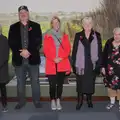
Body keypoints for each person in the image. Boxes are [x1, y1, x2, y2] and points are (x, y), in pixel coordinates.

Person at [8, 6, 42, 109]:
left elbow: (38, 41)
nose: (23, 14)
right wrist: (21, 52)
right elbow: (11, 43)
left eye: (25, 12)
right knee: (20, 82)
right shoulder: (13, 27)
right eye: (21, 12)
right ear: (19, 15)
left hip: (33, 60)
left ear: (28, 13)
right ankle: (21, 102)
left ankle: (37, 101)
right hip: (19, 60)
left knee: (35, 82)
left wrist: (29, 51)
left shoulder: (36, 26)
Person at [72, 17, 102, 110]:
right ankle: (80, 101)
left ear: (92, 24)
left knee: (90, 83)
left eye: (89, 23)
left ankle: (89, 100)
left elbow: (100, 51)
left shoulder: (97, 35)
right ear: (82, 25)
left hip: (91, 64)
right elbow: (74, 51)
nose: (87, 25)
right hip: (80, 64)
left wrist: (99, 65)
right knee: (80, 84)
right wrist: (73, 64)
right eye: (85, 23)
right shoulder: (78, 35)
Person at [43, 16, 71, 110]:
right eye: (54, 23)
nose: (56, 24)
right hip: (51, 63)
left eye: (57, 22)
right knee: (52, 85)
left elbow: (68, 49)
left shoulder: (64, 35)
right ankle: (52, 100)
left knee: (60, 84)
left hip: (62, 63)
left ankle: (58, 100)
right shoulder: (47, 35)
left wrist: (61, 58)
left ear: (60, 23)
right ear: (51, 24)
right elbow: (45, 50)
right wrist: (53, 58)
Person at [102, 27, 120, 111]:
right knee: (111, 86)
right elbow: (104, 55)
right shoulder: (109, 42)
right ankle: (112, 102)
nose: (117, 36)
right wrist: (102, 67)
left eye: (119, 34)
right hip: (110, 70)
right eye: (115, 34)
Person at [0, 24, 9, 112]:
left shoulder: (4, 39)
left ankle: (4, 105)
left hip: (1, 70)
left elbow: (5, 56)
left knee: (3, 89)